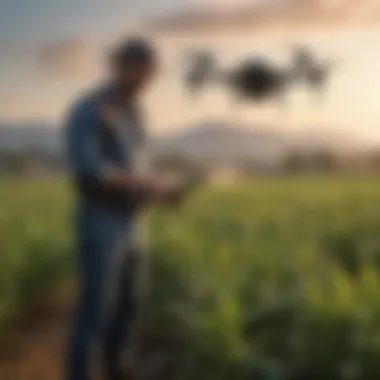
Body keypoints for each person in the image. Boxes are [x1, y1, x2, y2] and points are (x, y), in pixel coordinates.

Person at [65, 37, 183, 380]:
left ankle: (116, 367)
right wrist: (145, 185)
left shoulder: (136, 113)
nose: (146, 80)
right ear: (121, 67)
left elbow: (138, 170)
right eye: (141, 71)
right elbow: (91, 171)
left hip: (133, 221)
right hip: (100, 218)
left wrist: (162, 193)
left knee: (130, 302)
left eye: (150, 73)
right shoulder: (90, 108)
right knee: (95, 308)